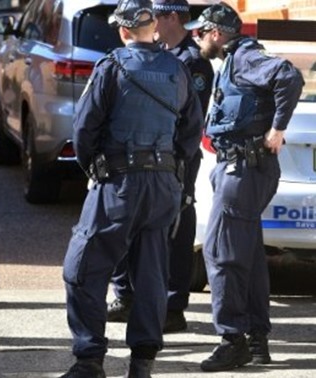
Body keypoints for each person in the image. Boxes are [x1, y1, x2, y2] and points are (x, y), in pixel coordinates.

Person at [59, 0, 204, 376]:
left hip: (119, 183)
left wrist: (96, 169)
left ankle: (89, 359)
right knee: (152, 274)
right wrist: (173, 177)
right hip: (162, 187)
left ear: (122, 30)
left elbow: (84, 130)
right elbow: (190, 134)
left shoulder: (112, 66)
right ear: (154, 26)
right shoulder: (178, 68)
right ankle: (142, 363)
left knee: (83, 268)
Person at [183, 4, 304, 372]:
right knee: (248, 258)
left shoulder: (246, 57)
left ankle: (232, 339)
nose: (196, 36)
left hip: (244, 170)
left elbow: (289, 76)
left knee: (220, 254)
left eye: (201, 31)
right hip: (241, 168)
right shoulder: (235, 59)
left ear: (217, 33)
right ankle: (256, 343)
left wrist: (278, 128)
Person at [107, 0, 214, 334]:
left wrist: (176, 159)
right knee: (129, 223)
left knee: (175, 229)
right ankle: (127, 296)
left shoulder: (192, 61)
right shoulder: (154, 53)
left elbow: (191, 119)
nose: (147, 22)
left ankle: (172, 306)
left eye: (153, 16)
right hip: (139, 157)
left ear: (170, 17)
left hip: (174, 159)